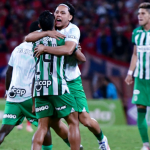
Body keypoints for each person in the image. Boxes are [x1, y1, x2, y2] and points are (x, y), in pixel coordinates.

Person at [25, 2, 110, 150]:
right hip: (55, 82)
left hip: (70, 81)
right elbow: (29, 36)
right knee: (54, 122)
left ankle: (102, 139)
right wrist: (47, 33)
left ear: (70, 17)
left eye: (63, 13)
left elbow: (69, 49)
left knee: (84, 120)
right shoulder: (50, 29)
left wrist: (45, 48)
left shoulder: (72, 30)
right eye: (57, 12)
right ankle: (76, 146)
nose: (58, 14)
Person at [0, 21, 71, 150]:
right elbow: (38, 75)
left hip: (13, 95)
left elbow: (9, 71)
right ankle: (74, 146)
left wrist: (7, 90)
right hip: (30, 95)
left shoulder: (17, 48)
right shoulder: (39, 49)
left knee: (3, 130)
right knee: (43, 126)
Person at [31, 11, 80, 150]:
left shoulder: (35, 40)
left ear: (39, 25)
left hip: (40, 87)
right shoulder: (61, 39)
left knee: (42, 126)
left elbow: (28, 37)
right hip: (57, 86)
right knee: (73, 121)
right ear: (54, 23)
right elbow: (73, 53)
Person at [125, 2, 150, 150]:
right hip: (140, 78)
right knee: (140, 109)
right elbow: (135, 54)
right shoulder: (137, 33)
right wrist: (130, 73)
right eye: (138, 14)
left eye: (143, 14)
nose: (139, 16)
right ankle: (146, 145)